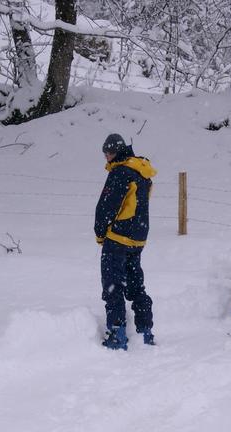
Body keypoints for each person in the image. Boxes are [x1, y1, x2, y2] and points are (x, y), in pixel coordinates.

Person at [95, 133, 157, 350]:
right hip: (137, 238)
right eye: (105, 153)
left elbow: (107, 206)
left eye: (108, 152)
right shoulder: (142, 172)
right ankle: (145, 331)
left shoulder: (120, 172)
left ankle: (117, 333)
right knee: (136, 285)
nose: (106, 156)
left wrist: (100, 233)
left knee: (113, 285)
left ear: (117, 151)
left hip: (117, 238)